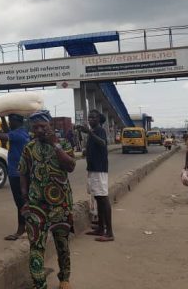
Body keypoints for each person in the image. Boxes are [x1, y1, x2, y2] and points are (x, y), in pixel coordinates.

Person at [20, 110, 76, 289]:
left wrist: (55, 145)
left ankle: (64, 278)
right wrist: (25, 200)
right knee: (36, 246)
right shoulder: (29, 148)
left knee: (62, 244)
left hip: (61, 204)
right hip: (37, 205)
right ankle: (39, 284)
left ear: (50, 125)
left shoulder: (64, 143)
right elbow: (23, 173)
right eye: (35, 127)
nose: (39, 130)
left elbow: (71, 166)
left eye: (42, 126)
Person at [0, 107, 30, 241]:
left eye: (10, 121)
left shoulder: (17, 135)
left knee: (20, 203)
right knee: (24, 201)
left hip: (16, 174)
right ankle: (26, 228)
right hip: (21, 172)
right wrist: (3, 117)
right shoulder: (22, 132)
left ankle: (21, 230)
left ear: (16, 121)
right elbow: (7, 131)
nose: (9, 124)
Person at [77, 110, 114, 242]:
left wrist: (89, 133)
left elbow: (103, 144)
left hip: (99, 169)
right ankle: (100, 227)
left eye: (93, 117)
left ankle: (109, 233)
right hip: (93, 169)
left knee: (103, 199)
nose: (90, 120)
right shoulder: (93, 132)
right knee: (98, 198)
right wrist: (86, 151)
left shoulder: (100, 131)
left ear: (99, 119)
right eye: (89, 118)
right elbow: (95, 147)